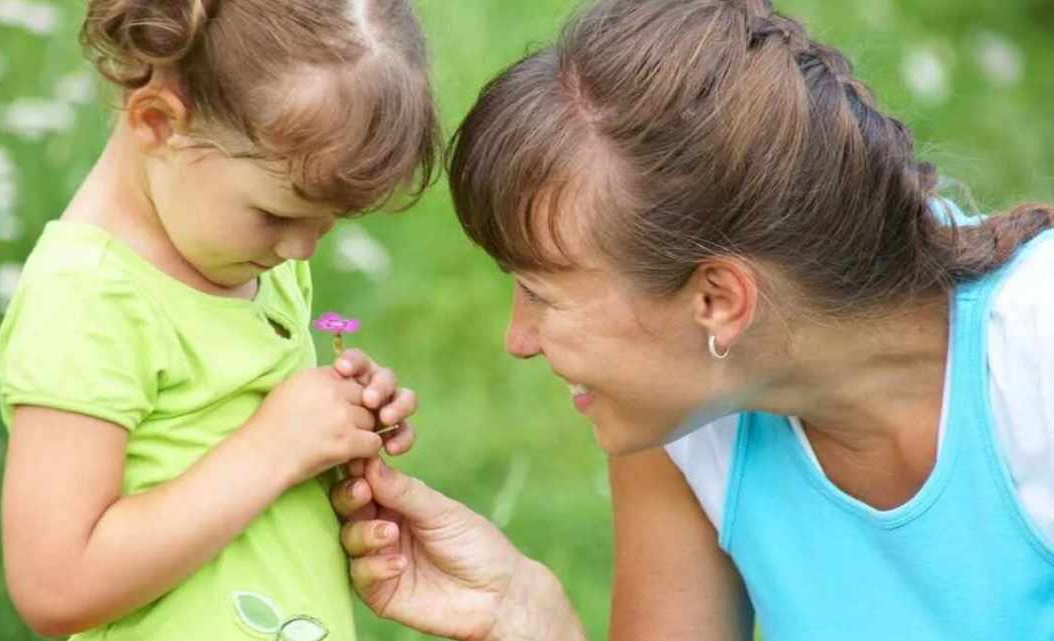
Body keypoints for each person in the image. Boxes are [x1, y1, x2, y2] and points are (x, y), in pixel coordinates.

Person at [330, 1, 1054, 639]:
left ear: (718, 301)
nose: (517, 341)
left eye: (542, 295)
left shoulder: (1033, 352)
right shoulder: (682, 412)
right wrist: (527, 615)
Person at [0, 1, 439, 639]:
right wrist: (278, 447)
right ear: (158, 122)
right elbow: (54, 585)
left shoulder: (241, 259)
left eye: (328, 221)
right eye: (276, 215)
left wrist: (336, 425)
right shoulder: (87, 299)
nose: (302, 250)